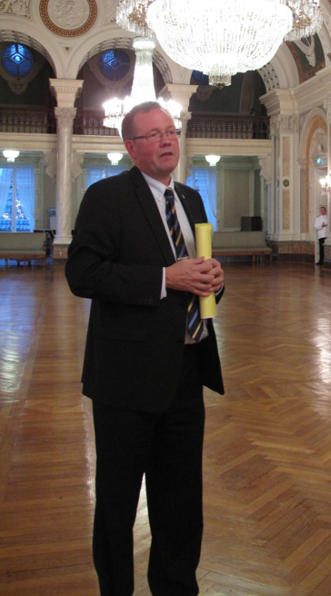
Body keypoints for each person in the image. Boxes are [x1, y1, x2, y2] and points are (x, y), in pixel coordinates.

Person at [65, 101, 225, 596]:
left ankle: (176, 587)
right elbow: (82, 273)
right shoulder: (106, 197)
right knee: (117, 501)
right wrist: (162, 278)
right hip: (126, 379)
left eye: (171, 130)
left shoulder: (193, 201)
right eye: (153, 134)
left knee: (181, 500)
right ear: (131, 147)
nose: (166, 140)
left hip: (185, 370)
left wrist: (213, 282)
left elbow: (200, 276)